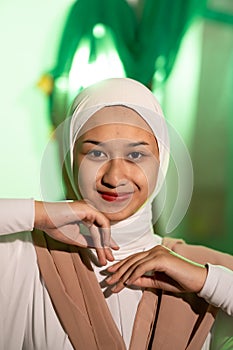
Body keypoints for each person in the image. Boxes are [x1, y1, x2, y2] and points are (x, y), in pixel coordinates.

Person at [1, 78, 233, 350]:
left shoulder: (205, 272)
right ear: (72, 158)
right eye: (96, 153)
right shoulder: (26, 254)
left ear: (162, 160)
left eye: (136, 155)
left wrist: (208, 281)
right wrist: (40, 213)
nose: (114, 177)